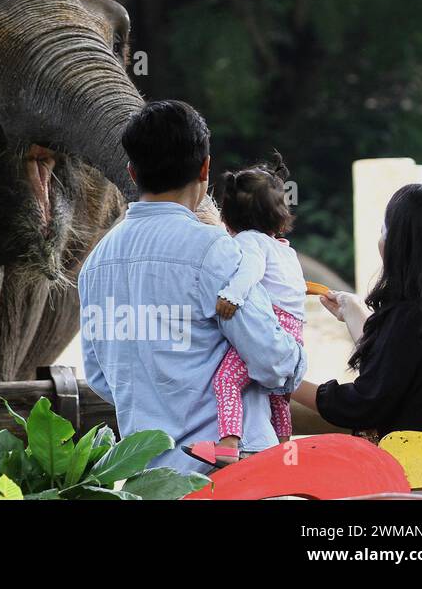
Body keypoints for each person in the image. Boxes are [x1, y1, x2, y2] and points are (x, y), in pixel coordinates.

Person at [79, 100, 306, 475]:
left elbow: (102, 378)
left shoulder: (96, 264)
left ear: (132, 173)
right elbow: (271, 360)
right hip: (231, 479)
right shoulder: (215, 251)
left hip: (147, 480)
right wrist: (297, 359)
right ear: (205, 167)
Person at [292, 182, 422, 439]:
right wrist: (354, 314)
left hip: (398, 472)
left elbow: (363, 403)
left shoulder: (409, 317)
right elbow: (399, 371)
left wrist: (287, 383)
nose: (380, 239)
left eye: (384, 230)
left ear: (399, 243)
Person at [188, 154, 307, 466]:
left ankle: (228, 445)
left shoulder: (248, 242)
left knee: (227, 381)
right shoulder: (285, 251)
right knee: (278, 398)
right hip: (294, 331)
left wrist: (232, 295)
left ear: (227, 218)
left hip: (271, 327)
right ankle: (285, 451)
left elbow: (250, 270)